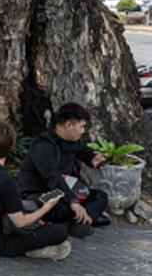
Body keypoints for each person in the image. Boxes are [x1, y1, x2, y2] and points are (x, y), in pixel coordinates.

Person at [0, 121, 71, 259]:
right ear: (12, 145)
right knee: (59, 232)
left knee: (33, 202)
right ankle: (33, 250)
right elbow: (21, 222)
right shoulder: (5, 180)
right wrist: (47, 207)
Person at [17, 102, 110, 238]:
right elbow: (52, 177)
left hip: (63, 191)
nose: (83, 131)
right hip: (40, 193)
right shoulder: (42, 145)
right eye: (81, 127)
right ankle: (82, 220)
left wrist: (93, 158)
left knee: (100, 196)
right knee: (60, 207)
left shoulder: (73, 140)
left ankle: (84, 222)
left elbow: (83, 151)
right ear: (68, 125)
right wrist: (73, 201)